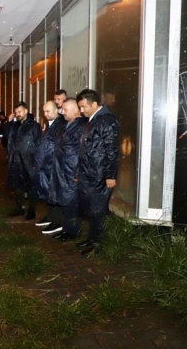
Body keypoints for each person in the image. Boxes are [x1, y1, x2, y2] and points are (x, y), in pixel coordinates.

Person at [75, 89, 120, 254]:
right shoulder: (95, 119)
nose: (81, 111)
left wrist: (110, 175)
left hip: (99, 176)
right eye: (80, 107)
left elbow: (112, 151)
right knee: (93, 211)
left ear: (94, 104)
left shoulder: (106, 121)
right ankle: (92, 240)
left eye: (84, 107)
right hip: (91, 174)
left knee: (98, 211)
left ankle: (99, 245)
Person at [47, 98, 87, 241]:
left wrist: (77, 172)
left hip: (71, 172)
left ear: (76, 110)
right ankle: (67, 229)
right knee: (65, 202)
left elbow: (82, 152)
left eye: (65, 109)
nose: (62, 112)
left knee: (72, 203)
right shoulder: (67, 125)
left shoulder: (81, 126)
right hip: (62, 170)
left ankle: (73, 232)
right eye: (62, 109)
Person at [34, 101, 66, 234]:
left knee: (55, 194)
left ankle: (57, 222)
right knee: (49, 193)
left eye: (48, 111)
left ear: (56, 110)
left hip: (53, 166)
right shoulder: (49, 125)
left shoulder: (60, 125)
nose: (45, 114)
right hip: (46, 166)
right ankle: (51, 218)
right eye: (44, 111)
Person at [6, 102, 41, 219]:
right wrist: (9, 123)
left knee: (31, 186)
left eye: (20, 111)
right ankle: (19, 208)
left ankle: (31, 211)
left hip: (29, 161)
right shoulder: (15, 125)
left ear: (26, 111)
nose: (17, 114)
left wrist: (35, 160)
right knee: (18, 185)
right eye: (16, 112)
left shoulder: (34, 126)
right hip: (15, 160)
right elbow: (6, 137)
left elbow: (38, 143)